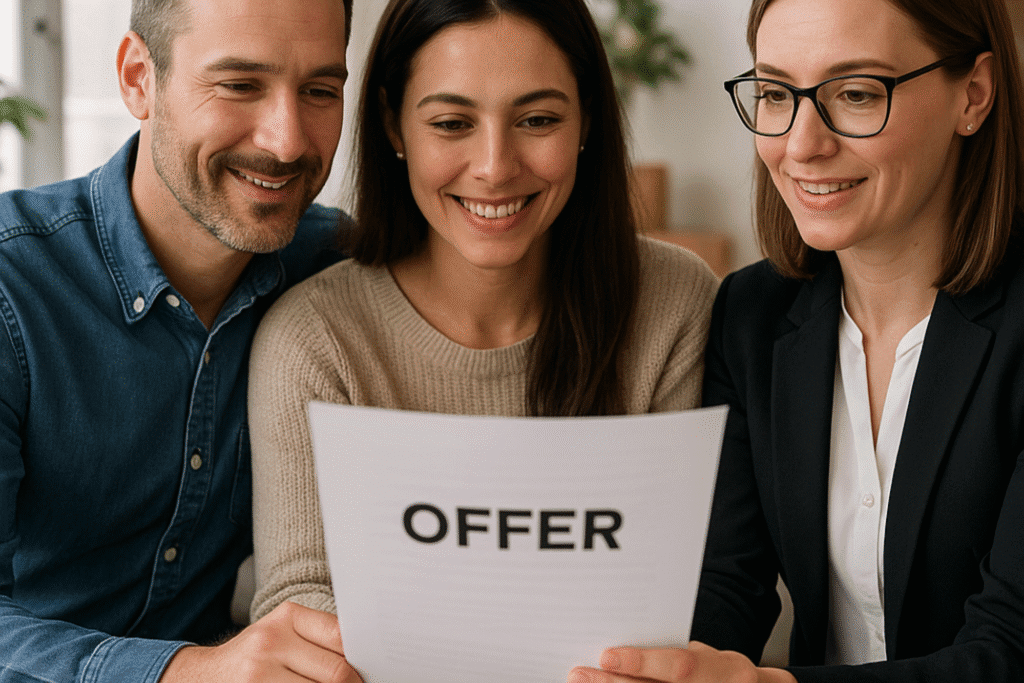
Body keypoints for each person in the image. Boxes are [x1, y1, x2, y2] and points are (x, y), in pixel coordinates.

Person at [569, 0, 1024, 681]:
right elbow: (727, 585)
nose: (801, 143)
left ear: (975, 94)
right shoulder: (751, 316)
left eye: (858, 93)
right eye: (777, 93)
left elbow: (1011, 649)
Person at [247, 0, 718, 657]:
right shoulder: (316, 337)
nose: (495, 165)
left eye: (538, 119)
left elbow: (691, 596)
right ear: (393, 124)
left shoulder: (673, 301)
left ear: (586, 119)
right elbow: (301, 602)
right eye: (451, 122)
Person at [0, 0, 361, 680]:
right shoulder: (11, 292)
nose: (287, 141)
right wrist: (184, 671)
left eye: (319, 90)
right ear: (139, 77)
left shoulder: (335, 268)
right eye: (239, 84)